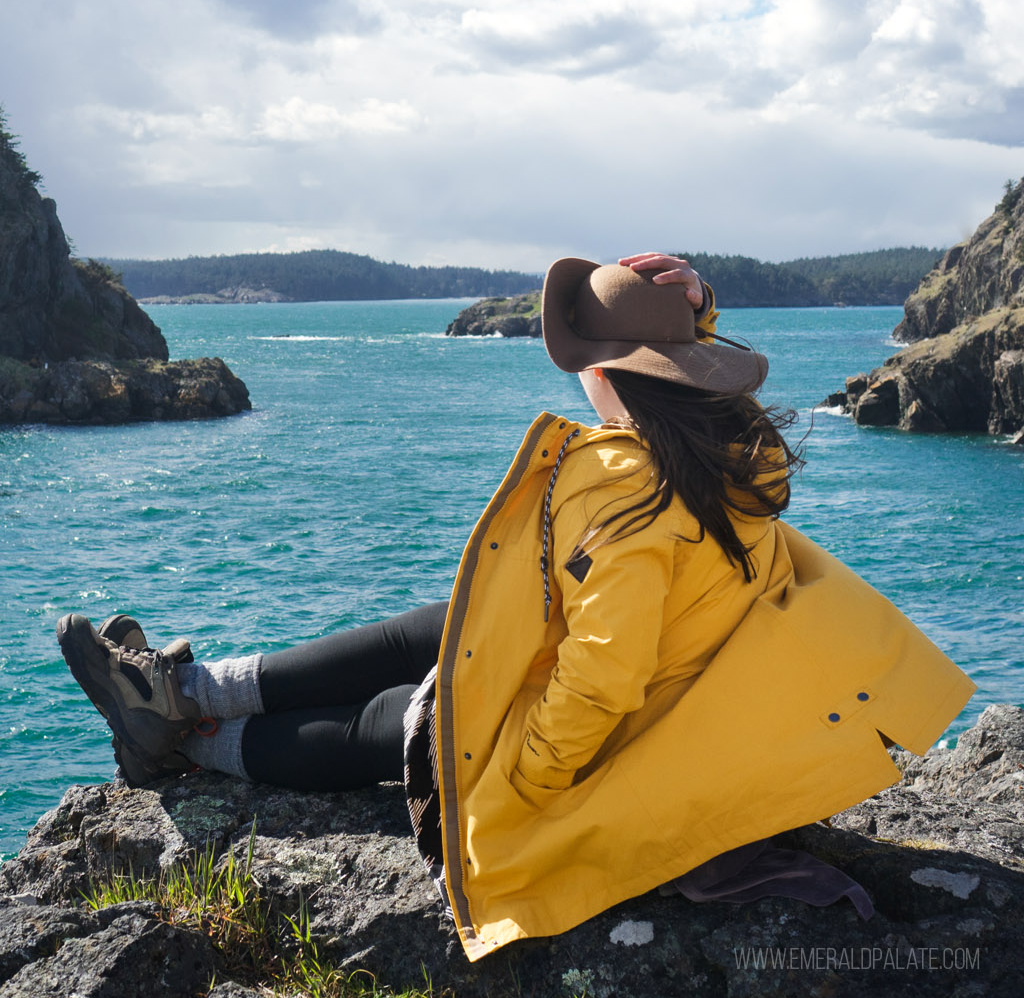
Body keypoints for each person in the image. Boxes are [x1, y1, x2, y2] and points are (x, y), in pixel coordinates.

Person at [57, 252, 975, 962]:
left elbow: (604, 678)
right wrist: (690, 309)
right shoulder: (727, 449)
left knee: (409, 721)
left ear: (610, 373)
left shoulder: (624, 490)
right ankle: (189, 690)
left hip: (616, 737)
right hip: (680, 682)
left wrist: (521, 777)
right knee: (441, 625)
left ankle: (180, 740)